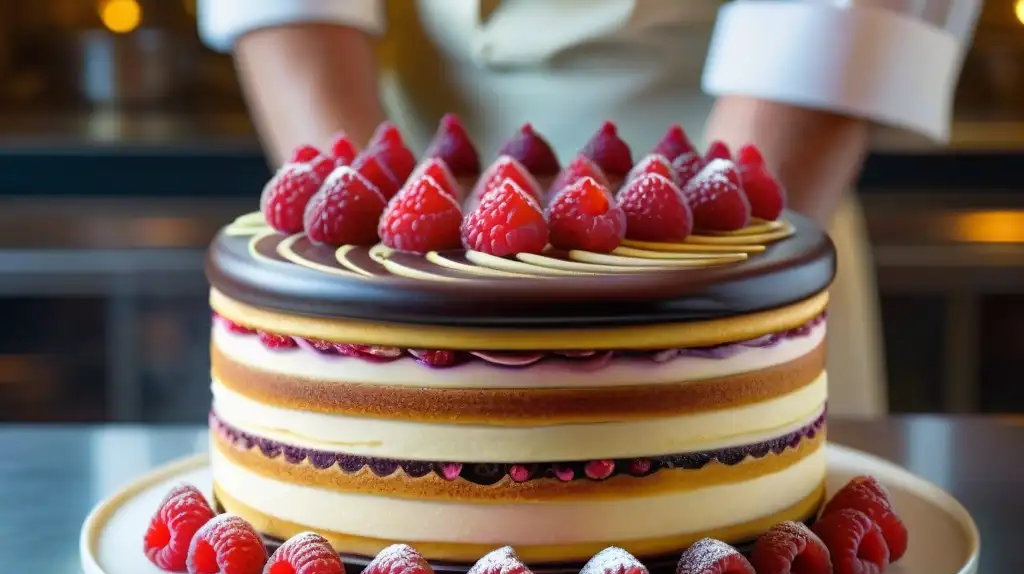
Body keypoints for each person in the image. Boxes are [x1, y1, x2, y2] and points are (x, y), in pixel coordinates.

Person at [198, 0, 980, 418]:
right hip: (394, 257)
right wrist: (374, 296)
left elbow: (835, 21)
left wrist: (673, 341)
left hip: (728, 260)